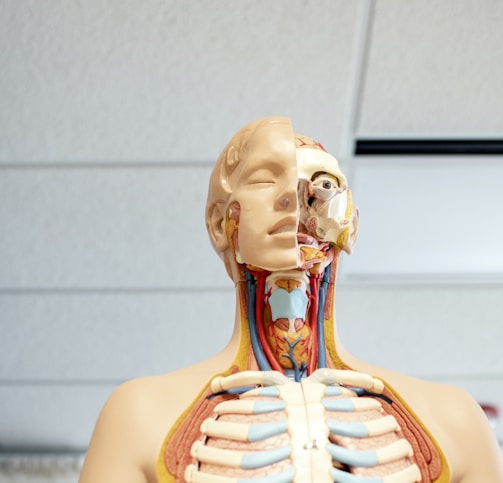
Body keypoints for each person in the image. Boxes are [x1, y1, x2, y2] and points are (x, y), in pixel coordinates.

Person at [79, 117, 503, 483]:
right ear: (220, 222)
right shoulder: (137, 416)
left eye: (323, 184)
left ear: (350, 225)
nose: (298, 198)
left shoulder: (456, 420)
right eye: (266, 178)